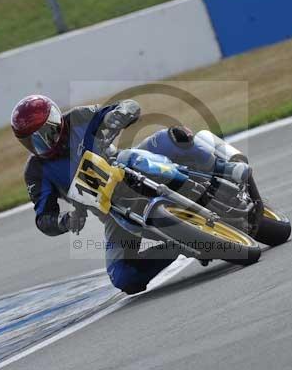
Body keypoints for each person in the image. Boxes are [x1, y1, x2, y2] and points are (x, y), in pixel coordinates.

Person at [11, 95, 183, 294]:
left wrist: (119, 115)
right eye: (30, 141)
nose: (40, 144)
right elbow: (44, 217)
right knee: (123, 277)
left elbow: (127, 106)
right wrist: (66, 221)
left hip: (128, 168)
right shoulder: (36, 170)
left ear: (55, 122)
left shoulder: (79, 117)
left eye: (44, 133)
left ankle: (225, 167)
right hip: (114, 212)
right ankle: (179, 245)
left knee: (172, 138)